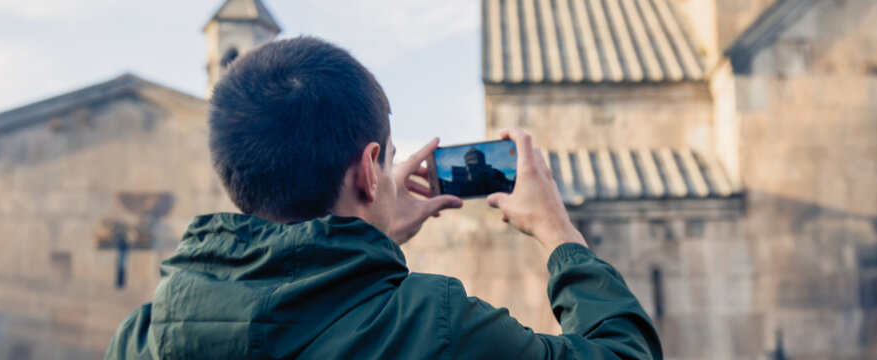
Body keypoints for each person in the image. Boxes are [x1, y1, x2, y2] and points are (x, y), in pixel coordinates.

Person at [105, 37, 661, 359]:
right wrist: (559, 233)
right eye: (387, 158)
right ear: (371, 169)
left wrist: (366, 229)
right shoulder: (434, 325)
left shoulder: (142, 337)